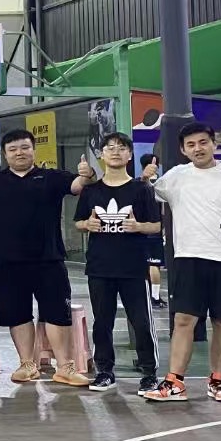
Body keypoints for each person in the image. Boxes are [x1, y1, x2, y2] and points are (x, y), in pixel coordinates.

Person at [142, 122, 221, 404]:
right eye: (191, 145)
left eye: (203, 142)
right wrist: (145, 178)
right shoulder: (176, 176)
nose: (198, 148)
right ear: (183, 150)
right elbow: (148, 193)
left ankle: (217, 381)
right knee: (183, 320)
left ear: (213, 144)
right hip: (188, 259)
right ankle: (174, 383)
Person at [0, 129, 96, 386]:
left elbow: (77, 186)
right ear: (4, 154)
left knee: (57, 313)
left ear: (33, 150)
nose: (19, 153)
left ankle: (65, 367)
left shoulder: (52, 177)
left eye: (24, 147)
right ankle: (27, 364)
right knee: (17, 314)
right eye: (13, 149)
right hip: (7, 261)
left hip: (48, 259)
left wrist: (87, 175)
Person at [74, 132, 161, 393]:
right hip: (99, 267)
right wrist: (86, 225)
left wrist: (138, 226)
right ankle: (104, 371)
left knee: (141, 322)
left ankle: (149, 372)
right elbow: (78, 221)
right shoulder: (91, 191)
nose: (115, 151)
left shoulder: (141, 189)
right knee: (102, 322)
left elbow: (156, 225)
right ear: (101, 154)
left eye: (121, 148)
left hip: (133, 267)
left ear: (129, 155)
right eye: (110, 147)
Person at [139, 153, 166, 308]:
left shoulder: (139, 183)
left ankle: (151, 295)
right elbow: (163, 210)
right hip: (154, 229)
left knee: (149, 264)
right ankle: (154, 296)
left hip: (143, 228)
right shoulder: (158, 183)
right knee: (154, 264)